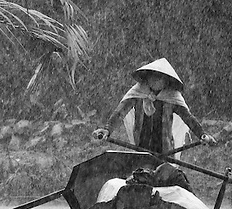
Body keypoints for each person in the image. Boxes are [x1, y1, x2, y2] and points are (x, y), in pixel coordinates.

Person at [92, 58, 216, 190]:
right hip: (141, 150)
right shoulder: (138, 92)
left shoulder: (172, 96)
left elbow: (188, 118)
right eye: (153, 76)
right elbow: (120, 112)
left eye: (160, 77)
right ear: (147, 77)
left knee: (175, 183)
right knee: (139, 182)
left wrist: (202, 135)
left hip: (165, 152)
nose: (156, 80)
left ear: (166, 80)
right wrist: (107, 130)